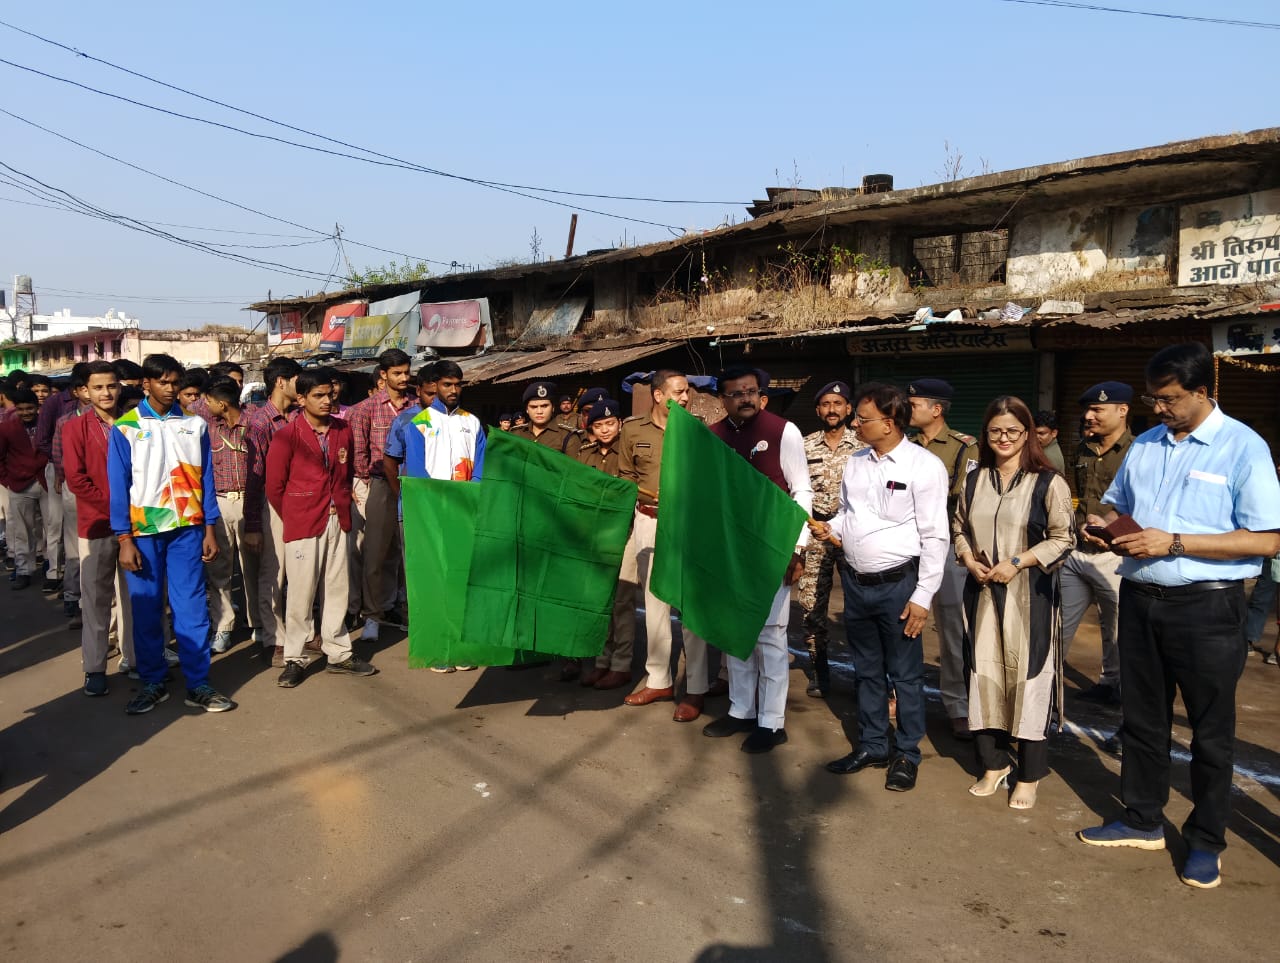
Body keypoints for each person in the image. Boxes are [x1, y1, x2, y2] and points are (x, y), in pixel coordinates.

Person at [1077, 343, 1280, 890]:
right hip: (1142, 601)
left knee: (1212, 733)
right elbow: (1120, 507)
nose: (1158, 408)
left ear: (1201, 393)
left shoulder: (1243, 447)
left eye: (1168, 399)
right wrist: (1107, 525)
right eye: (1152, 398)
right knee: (1143, 722)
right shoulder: (1145, 444)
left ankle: (1206, 841)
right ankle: (1142, 818)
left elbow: (1267, 537)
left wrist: (1176, 542)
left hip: (1208, 607)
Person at [816, 383, 949, 791]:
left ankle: (907, 753)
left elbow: (935, 536)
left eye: (864, 418)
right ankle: (873, 744)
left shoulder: (924, 466)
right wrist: (829, 527)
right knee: (867, 671)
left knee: (905, 675)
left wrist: (922, 597)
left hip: (899, 586)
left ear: (889, 424)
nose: (856, 423)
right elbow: (850, 515)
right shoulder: (856, 463)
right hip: (855, 584)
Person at [953, 396, 1075, 810]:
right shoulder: (974, 478)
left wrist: (1019, 562)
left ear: (1028, 435)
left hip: (1029, 598)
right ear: (985, 435)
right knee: (983, 674)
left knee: (1028, 678)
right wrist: (968, 558)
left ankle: (1029, 774)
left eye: (1013, 431)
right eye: (995, 431)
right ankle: (992, 764)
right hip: (982, 594)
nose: (1004, 438)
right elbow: (958, 528)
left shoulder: (1048, 482)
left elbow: (1064, 537)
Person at [108, 353, 235, 715]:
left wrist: (210, 528)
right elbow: (119, 485)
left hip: (188, 530)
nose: (171, 388)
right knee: (147, 608)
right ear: (145, 384)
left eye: (175, 381)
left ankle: (199, 683)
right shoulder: (126, 427)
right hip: (144, 531)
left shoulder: (195, 426)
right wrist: (123, 538)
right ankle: (152, 681)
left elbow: (206, 479)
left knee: (192, 606)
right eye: (163, 381)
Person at [700, 366, 813, 753]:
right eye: (737, 393)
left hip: (773, 550)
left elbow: (802, 492)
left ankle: (771, 721)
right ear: (722, 399)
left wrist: (796, 548)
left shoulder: (784, 432)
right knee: (735, 633)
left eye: (751, 391)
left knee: (769, 637)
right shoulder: (712, 436)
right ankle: (740, 710)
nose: (746, 398)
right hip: (731, 553)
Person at [268, 370, 377, 687]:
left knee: (337, 587)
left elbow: (345, 471)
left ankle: (339, 652)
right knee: (301, 592)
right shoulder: (287, 436)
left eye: (330, 394)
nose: (327, 400)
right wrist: (296, 513)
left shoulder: (343, 430)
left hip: (338, 517)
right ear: (301, 399)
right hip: (303, 520)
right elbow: (275, 487)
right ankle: (295, 657)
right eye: (318, 395)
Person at [619, 370, 713, 718]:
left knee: (691, 607)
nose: (686, 397)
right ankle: (658, 679)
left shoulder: (697, 429)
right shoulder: (632, 430)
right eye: (679, 392)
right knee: (655, 602)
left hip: (687, 524)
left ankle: (697, 687)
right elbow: (626, 475)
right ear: (659, 395)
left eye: (687, 392)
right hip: (648, 520)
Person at [384, 360, 484, 671]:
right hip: (431, 513)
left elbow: (479, 466)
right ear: (435, 387)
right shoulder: (419, 423)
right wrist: (432, 509)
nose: (453, 390)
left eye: (458, 384)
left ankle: (461, 645)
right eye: (447, 385)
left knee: (461, 579)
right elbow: (416, 472)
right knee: (434, 580)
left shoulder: (474, 422)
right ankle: (438, 647)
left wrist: (472, 497)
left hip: (465, 512)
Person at [908, 378, 979, 739]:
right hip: (908, 547)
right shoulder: (903, 445)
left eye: (915, 403)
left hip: (948, 546)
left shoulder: (964, 447)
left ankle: (958, 705)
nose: (908, 408)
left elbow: (965, 497)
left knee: (953, 630)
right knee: (902, 624)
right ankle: (899, 695)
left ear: (936, 409)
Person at [1061, 384, 1134, 720]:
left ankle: (1114, 685)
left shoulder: (1138, 452)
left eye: (1097, 410)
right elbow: (1075, 496)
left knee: (1117, 626)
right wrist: (1076, 523)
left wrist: (1112, 528)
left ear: (1122, 411)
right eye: (1087, 410)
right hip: (1077, 552)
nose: (1089, 416)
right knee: (1057, 620)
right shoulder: (1082, 449)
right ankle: (1044, 686)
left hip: (1116, 554)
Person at [62, 360, 134, 696]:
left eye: (112, 386)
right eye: (99, 387)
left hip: (138, 525)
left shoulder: (136, 422)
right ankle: (94, 666)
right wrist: (117, 511)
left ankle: (135, 658)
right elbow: (76, 479)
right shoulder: (74, 429)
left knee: (136, 595)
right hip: (98, 524)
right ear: (85, 392)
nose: (106, 393)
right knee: (96, 599)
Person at [798, 380, 863, 698]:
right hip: (816, 533)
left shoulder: (864, 447)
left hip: (854, 535)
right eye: (826, 404)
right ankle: (818, 669)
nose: (832, 409)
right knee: (812, 604)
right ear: (818, 410)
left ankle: (867, 673)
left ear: (849, 409)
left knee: (860, 605)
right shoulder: (805, 445)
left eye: (838, 403)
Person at [348, 348, 414, 643]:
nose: (404, 378)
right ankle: (372, 615)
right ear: (383, 375)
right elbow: (358, 452)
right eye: (397, 373)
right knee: (374, 552)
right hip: (380, 484)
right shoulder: (365, 409)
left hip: (413, 484)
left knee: (407, 554)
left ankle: (404, 610)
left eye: (406, 372)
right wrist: (364, 487)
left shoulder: (417, 405)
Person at [570, 399, 636, 689]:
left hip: (626, 533)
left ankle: (621, 665)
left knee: (622, 601)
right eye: (599, 425)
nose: (606, 429)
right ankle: (601, 661)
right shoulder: (586, 455)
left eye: (610, 423)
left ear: (619, 423)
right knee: (600, 600)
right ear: (591, 429)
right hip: (595, 535)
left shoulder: (628, 452)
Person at [243, 356, 301, 665]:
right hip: (272, 505)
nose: (299, 385)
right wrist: (252, 522)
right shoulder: (260, 422)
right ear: (281, 381)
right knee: (273, 572)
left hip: (301, 501)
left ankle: (299, 632)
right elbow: (254, 476)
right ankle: (274, 637)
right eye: (296, 380)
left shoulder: (298, 416)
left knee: (301, 571)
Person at [204, 377, 259, 654]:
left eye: (209, 400)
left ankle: (258, 623)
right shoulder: (209, 429)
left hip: (250, 502)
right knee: (219, 570)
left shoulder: (255, 424)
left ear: (222, 404)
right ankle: (223, 625)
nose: (204, 404)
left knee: (255, 566)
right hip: (221, 502)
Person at [50, 363, 92, 627]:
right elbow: (57, 454)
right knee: (76, 546)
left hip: (106, 490)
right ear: (78, 391)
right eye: (91, 387)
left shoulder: (121, 418)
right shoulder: (66, 421)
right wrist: (62, 477)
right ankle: (73, 597)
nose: (101, 393)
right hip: (75, 488)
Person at [0, 388, 50, 591]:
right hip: (19, 485)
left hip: (46, 481)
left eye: (29, 408)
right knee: (22, 531)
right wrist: (7, 481)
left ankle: (52, 567)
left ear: (37, 407)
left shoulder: (47, 425)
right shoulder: (6, 429)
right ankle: (23, 570)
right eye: (21, 409)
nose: (26, 413)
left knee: (52, 529)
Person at [511, 381, 572, 450]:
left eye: (544, 406)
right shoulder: (516, 433)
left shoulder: (567, 436)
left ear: (553, 408)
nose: (539, 412)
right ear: (527, 409)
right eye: (534, 407)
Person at [1035, 410, 1067, 475]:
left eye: (1041, 433)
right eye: (1034, 433)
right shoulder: (1044, 448)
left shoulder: (1049, 457)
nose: (1036, 437)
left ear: (1054, 433)